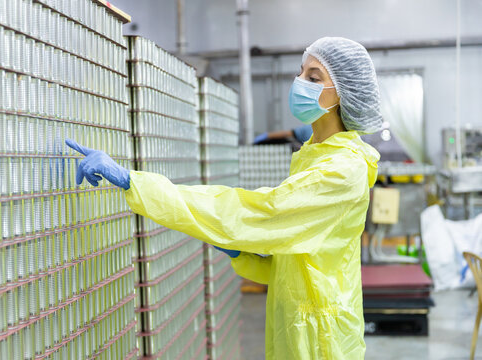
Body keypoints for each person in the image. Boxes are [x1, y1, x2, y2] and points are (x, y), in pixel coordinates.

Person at [66, 36, 382, 359]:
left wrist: (133, 182)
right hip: (300, 327)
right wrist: (242, 254)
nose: (299, 83)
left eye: (314, 78)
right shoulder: (313, 156)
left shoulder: (344, 170)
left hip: (323, 341)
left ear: (343, 94)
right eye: (300, 73)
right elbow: (296, 264)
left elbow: (264, 213)